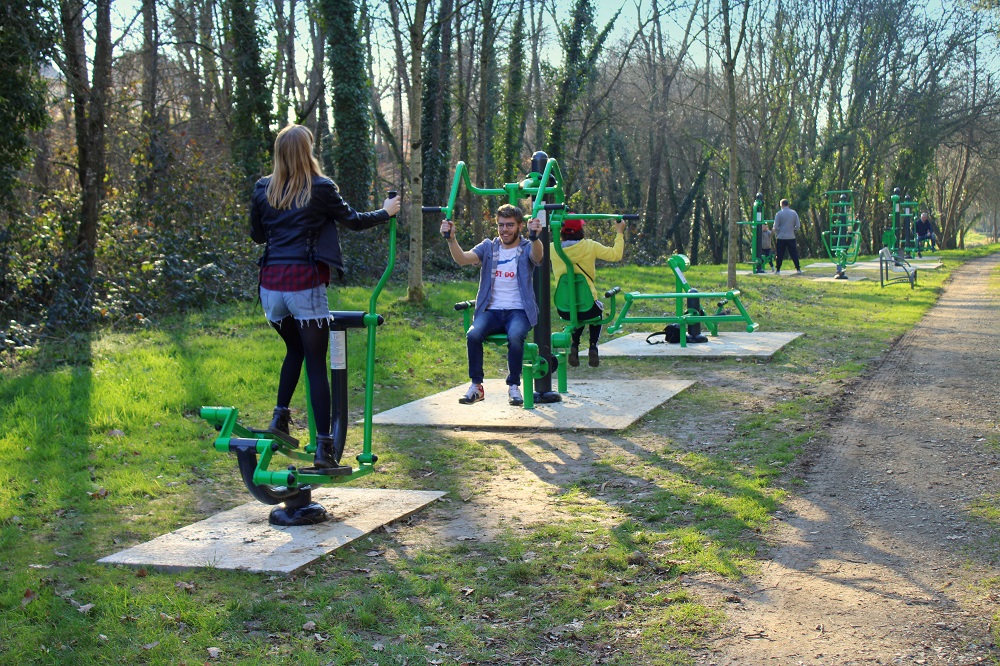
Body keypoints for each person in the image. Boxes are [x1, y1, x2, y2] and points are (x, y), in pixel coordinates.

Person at [250, 124, 400, 474]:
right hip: (304, 284)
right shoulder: (320, 188)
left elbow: (257, 235)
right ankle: (324, 449)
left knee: (295, 351)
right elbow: (353, 221)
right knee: (316, 364)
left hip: (270, 288)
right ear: (308, 151)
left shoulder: (262, 189)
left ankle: (280, 418)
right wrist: (386, 212)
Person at [440, 205, 543, 406]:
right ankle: (476, 386)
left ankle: (514, 385)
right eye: (501, 225)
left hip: (518, 311)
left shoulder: (527, 247)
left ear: (520, 226)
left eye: (510, 225)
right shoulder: (489, 247)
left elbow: (538, 257)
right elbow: (462, 259)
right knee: (473, 334)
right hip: (492, 311)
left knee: (515, 336)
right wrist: (451, 239)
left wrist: (535, 237)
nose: (505, 230)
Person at [551, 217, 625, 367]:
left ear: (561, 232)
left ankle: (574, 345)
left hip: (564, 308)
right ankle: (593, 346)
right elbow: (615, 255)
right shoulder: (590, 246)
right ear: (581, 230)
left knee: (575, 316)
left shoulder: (553, 249)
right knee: (595, 313)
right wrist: (620, 232)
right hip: (589, 307)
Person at [772, 198, 801, 274]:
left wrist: (777, 233)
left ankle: (778, 270)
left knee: (780, 254)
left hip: (781, 237)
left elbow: (775, 227)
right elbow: (797, 226)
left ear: (781, 205)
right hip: (791, 236)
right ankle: (798, 268)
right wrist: (793, 230)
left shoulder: (778, 214)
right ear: (788, 204)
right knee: (794, 253)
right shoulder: (794, 213)